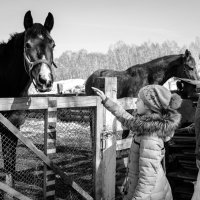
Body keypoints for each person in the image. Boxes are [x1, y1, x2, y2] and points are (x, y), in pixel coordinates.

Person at [92, 84, 182, 200]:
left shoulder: (150, 137)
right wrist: (106, 101)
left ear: (149, 106)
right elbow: (126, 117)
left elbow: (147, 180)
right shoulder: (145, 126)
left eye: (139, 100)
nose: (136, 102)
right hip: (145, 190)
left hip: (149, 195)